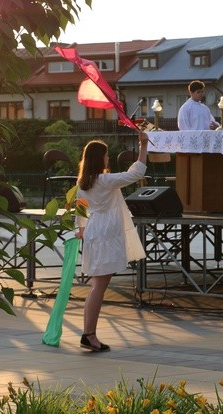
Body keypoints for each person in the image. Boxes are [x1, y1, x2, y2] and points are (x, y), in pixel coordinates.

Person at [75, 131, 149, 352]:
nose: (108, 158)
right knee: (99, 286)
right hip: (104, 232)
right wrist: (143, 145)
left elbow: (80, 209)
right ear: (100, 158)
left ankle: (89, 334)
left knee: (97, 285)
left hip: (94, 230)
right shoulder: (105, 180)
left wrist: (80, 229)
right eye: (106, 155)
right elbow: (135, 173)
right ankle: (89, 335)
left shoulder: (83, 182)